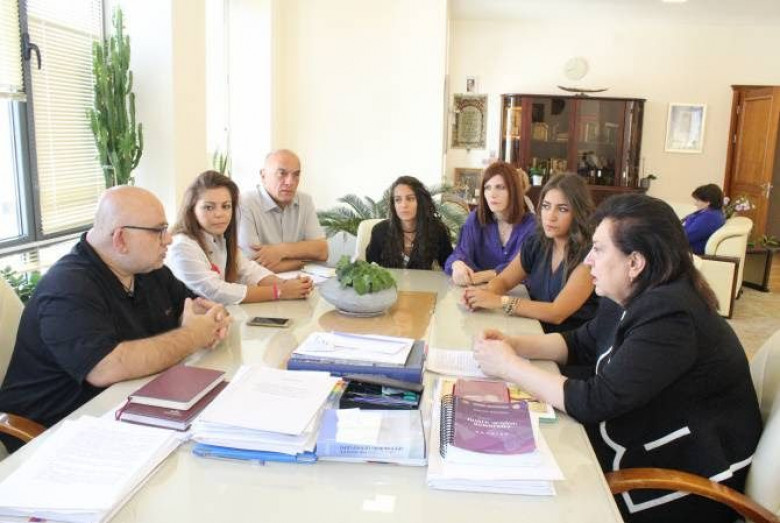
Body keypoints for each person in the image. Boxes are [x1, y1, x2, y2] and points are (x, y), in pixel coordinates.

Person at [473, 194, 762, 523]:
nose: (587, 261)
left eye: (598, 250)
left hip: (685, 481)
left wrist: (509, 366)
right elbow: (580, 343)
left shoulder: (671, 316)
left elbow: (595, 401)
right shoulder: (626, 294)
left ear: (635, 262)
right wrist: (514, 344)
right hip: (646, 444)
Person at [0, 187, 231, 449]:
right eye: (159, 231)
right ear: (120, 238)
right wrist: (192, 336)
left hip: (131, 410)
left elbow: (196, 309)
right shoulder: (68, 286)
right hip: (56, 435)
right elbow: (105, 368)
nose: (168, 239)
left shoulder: (149, 269)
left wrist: (213, 319)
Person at [463, 173, 598, 333]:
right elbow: (504, 280)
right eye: (546, 206)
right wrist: (482, 296)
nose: (551, 216)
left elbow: (557, 313)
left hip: (568, 342)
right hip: (533, 330)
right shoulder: (536, 242)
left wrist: (499, 301)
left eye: (562, 209)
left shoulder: (591, 255)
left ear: (578, 212)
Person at [167, 171, 313, 305]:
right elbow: (216, 291)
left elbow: (248, 270)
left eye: (226, 206)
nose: (219, 214)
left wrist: (287, 284)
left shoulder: (219, 237)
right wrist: (279, 291)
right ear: (192, 209)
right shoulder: (182, 246)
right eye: (209, 207)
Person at [445, 162, 536, 286]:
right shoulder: (475, 219)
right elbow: (460, 253)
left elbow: (523, 270)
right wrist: (457, 265)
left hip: (515, 294)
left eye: (500, 187)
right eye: (487, 188)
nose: (492, 194)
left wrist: (485, 275)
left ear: (514, 191)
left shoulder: (531, 225)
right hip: (473, 291)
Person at [238, 149, 328, 272]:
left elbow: (322, 251)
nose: (290, 182)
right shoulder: (244, 203)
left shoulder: (305, 201)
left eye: (296, 175)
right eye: (282, 173)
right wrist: (304, 260)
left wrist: (280, 251)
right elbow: (253, 265)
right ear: (263, 175)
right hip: (264, 283)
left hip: (304, 280)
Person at [366, 176, 453, 270]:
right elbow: (370, 265)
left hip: (423, 280)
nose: (403, 205)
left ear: (420, 202)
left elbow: (449, 264)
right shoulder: (380, 230)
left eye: (410, 199)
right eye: (398, 200)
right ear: (393, 205)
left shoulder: (437, 229)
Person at [682, 183, 726, 254]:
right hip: (682, 245)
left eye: (698, 200)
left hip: (685, 250)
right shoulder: (714, 213)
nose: (695, 203)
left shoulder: (709, 218)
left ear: (708, 201)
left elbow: (686, 237)